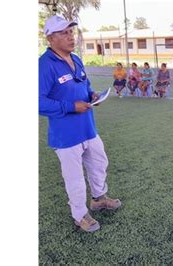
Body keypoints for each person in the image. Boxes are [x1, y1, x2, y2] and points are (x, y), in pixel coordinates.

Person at [39, 15, 121, 233]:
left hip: (88, 128)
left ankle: (98, 198)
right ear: (50, 38)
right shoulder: (44, 65)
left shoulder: (75, 58)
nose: (70, 36)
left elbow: (85, 84)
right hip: (65, 136)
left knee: (99, 163)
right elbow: (38, 101)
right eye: (64, 33)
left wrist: (92, 94)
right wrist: (71, 106)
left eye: (71, 32)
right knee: (74, 179)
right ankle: (80, 215)